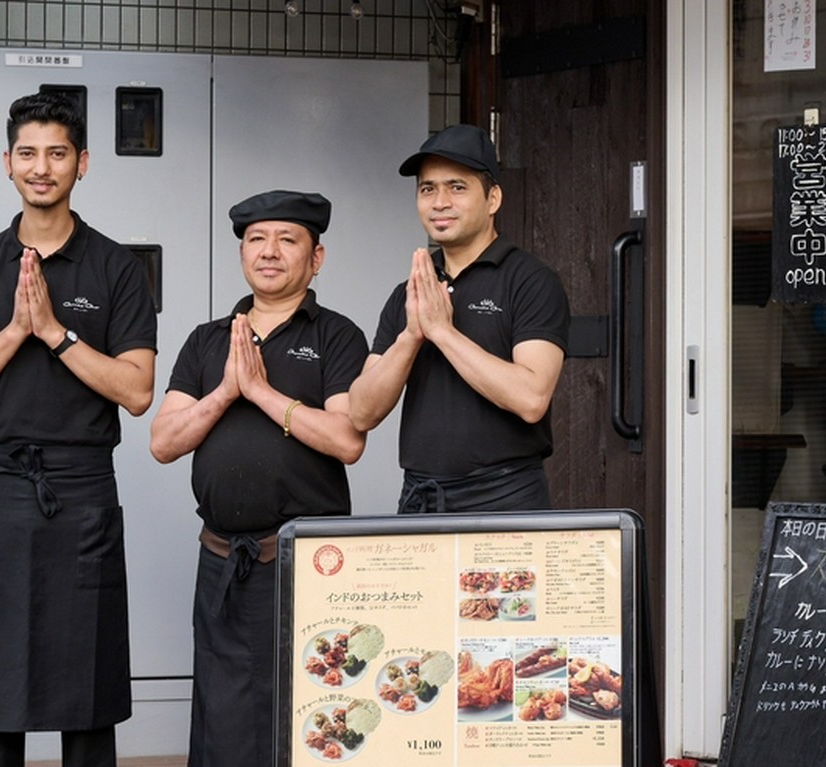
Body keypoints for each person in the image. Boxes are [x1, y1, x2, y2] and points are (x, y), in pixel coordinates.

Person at [0, 92, 157, 767]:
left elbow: (137, 389)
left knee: (87, 689)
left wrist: (55, 333)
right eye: (28, 152)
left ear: (81, 163)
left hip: (80, 491)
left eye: (57, 152)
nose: (42, 166)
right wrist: (14, 331)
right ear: (7, 162)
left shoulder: (116, 269)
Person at [149, 190, 367, 767]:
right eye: (256, 240)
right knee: (221, 711)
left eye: (287, 239)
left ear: (316, 257)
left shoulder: (336, 336)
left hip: (307, 564)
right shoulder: (207, 340)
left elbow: (348, 440)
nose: (269, 252)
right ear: (243, 252)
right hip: (222, 558)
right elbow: (163, 443)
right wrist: (225, 390)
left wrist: (264, 393)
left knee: (309, 707)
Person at [349, 123, 570, 513]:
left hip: (505, 497)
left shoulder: (530, 280)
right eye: (427, 189)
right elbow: (361, 411)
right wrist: (412, 336)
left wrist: (442, 332)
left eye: (457, 187)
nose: (439, 202)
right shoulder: (411, 292)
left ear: (493, 198)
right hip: (422, 498)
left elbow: (532, 398)